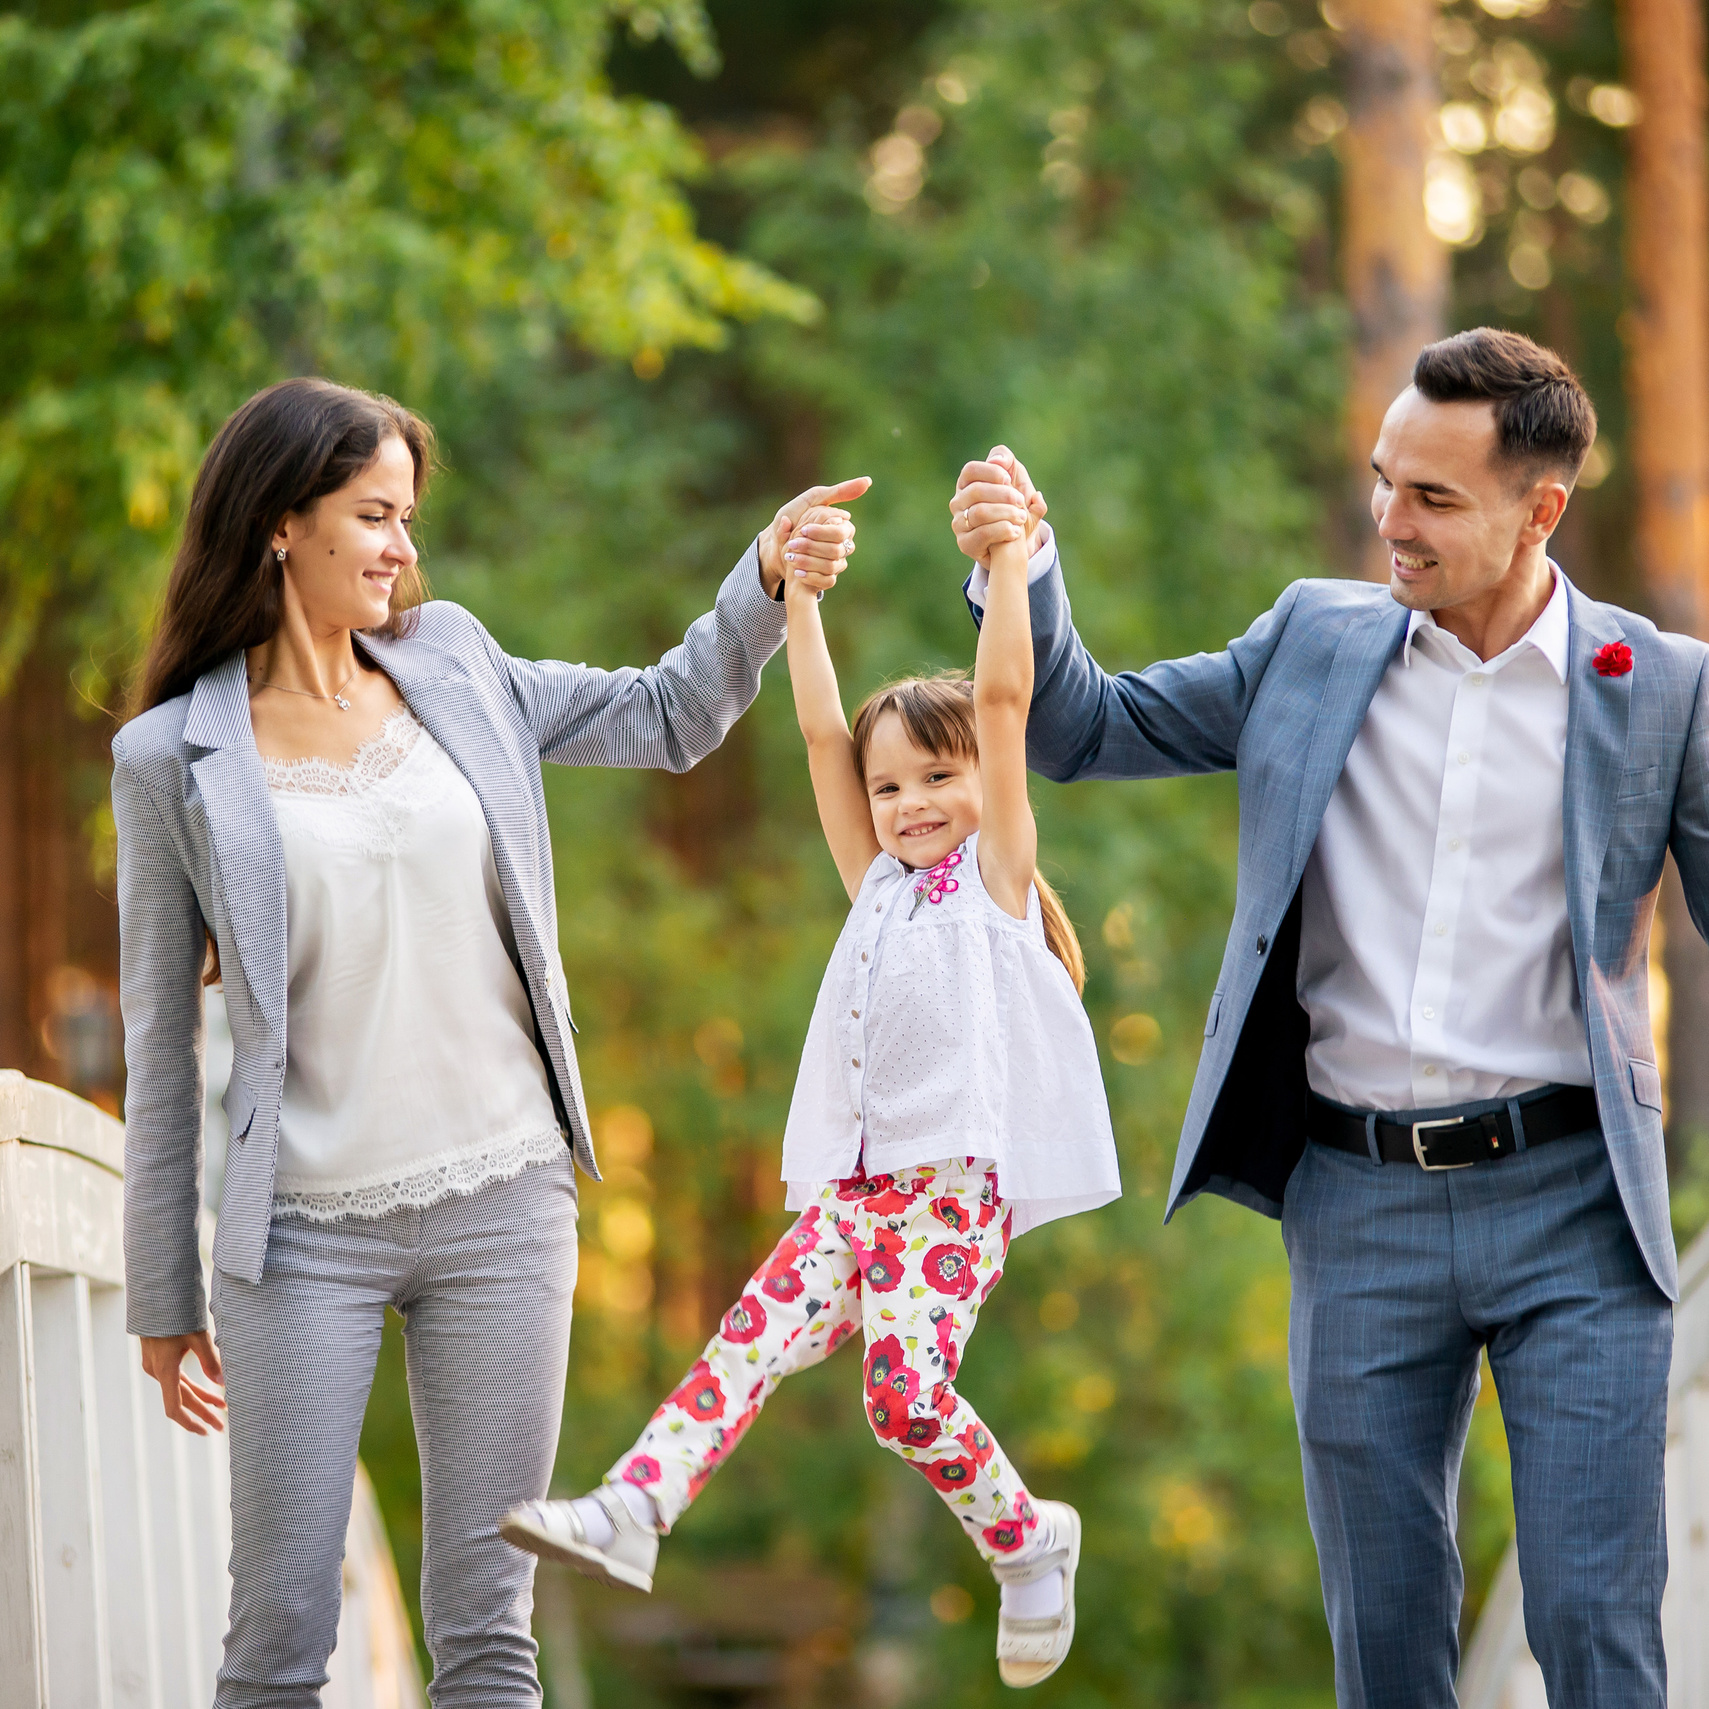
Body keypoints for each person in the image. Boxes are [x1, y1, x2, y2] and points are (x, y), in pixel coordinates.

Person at [947, 328, 1698, 1709]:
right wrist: (1021, 571)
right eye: (1381, 481)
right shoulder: (1311, 640)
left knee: (1596, 1620)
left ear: (1541, 511)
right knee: (1385, 1634)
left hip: (1577, 1206)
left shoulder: (1659, 687)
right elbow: (1078, 729)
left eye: (1431, 499)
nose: (1388, 523)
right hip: (1358, 1208)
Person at [112, 374, 867, 1707]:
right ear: (281, 524)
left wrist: (761, 577)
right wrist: (164, 1294)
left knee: (488, 1631)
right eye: (376, 516)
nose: (406, 549)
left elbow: (670, 713)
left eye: (410, 518)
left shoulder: (455, 661)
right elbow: (160, 1041)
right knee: (279, 1638)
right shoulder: (170, 757)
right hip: (299, 1235)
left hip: (503, 1204)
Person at [500, 488, 1121, 1688]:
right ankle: (635, 1504)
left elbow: (1002, 701)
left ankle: (1028, 1534)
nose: (910, 805)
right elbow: (822, 737)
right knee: (744, 1339)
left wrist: (1001, 563)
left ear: (985, 785)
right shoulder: (877, 886)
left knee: (901, 1396)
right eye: (891, 791)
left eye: (936, 778)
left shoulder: (991, 884)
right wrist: (799, 599)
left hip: (951, 1191)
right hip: (855, 1189)